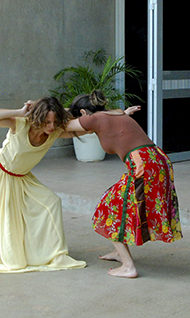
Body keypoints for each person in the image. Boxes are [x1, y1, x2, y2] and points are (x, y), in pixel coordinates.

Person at [66, 90, 182, 279]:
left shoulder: (93, 119)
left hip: (143, 164)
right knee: (115, 204)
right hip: (155, 160)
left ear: (82, 114)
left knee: (109, 209)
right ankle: (119, 253)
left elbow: (65, 126)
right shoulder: (116, 113)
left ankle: (128, 266)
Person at [0, 97, 86, 273]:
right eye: (47, 122)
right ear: (38, 118)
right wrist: (20, 112)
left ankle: (54, 254)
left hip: (22, 178)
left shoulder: (54, 132)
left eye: (54, 122)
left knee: (51, 202)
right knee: (7, 220)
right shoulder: (21, 124)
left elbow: (85, 127)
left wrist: (116, 115)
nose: (51, 126)